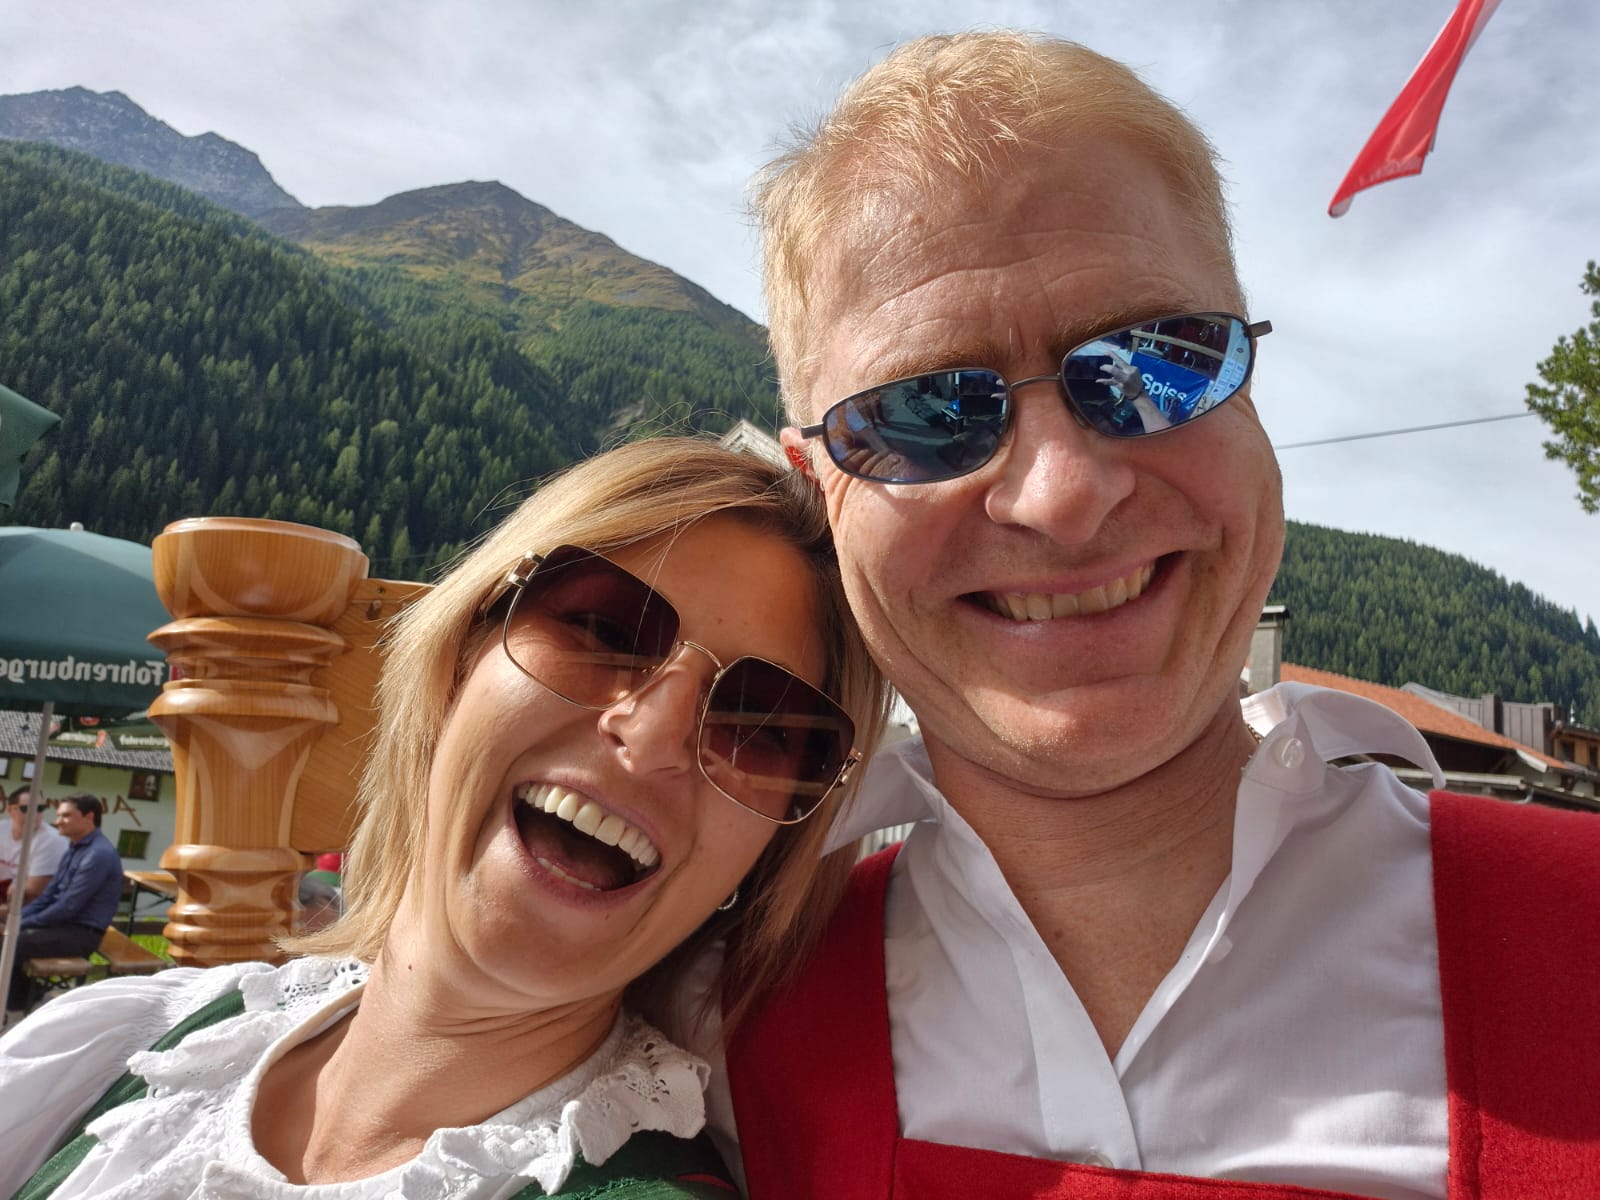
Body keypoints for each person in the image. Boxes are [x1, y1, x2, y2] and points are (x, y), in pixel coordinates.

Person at [699, 30, 1599, 1199]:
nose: (1063, 496)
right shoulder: (706, 1039)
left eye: (1155, 362)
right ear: (819, 489)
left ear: (1249, 390)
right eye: (924, 414)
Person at [0, 438, 887, 1199]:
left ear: (768, 853)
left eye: (762, 726)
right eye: (604, 630)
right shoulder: (132, 1046)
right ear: (459, 661)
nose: (650, 736)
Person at [5, 793, 122, 1014]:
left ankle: (22, 1002)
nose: (58, 821)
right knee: (9, 936)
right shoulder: (75, 848)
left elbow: (68, 907)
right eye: (58, 815)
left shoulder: (98, 854)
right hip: (63, 926)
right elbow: (49, 895)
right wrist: (17, 919)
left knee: (11, 942)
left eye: (66, 816)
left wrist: (20, 925)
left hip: (82, 934)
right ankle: (24, 998)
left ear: (89, 817)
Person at [0, 786, 69, 905]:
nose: (34, 814)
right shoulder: (2, 828)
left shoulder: (52, 841)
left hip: (32, 909)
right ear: (10, 810)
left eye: (40, 808)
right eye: (26, 809)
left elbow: (33, 895)